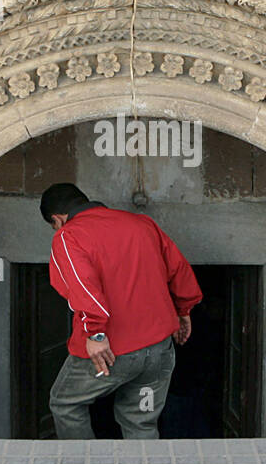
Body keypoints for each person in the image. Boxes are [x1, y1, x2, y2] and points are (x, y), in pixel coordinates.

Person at [41, 182, 203, 440]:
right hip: (160, 347)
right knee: (140, 420)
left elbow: (83, 287)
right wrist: (184, 310)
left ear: (57, 219)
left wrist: (94, 334)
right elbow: (178, 269)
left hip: (112, 350)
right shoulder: (142, 223)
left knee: (65, 404)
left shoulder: (68, 235)